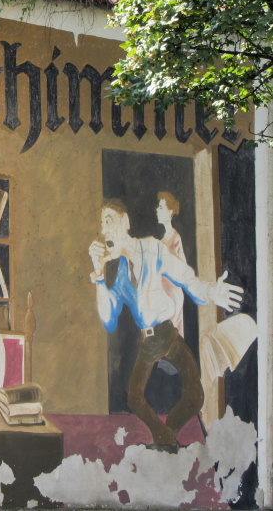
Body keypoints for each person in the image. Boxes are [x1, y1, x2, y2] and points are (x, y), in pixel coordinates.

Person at [88, 199, 243, 451]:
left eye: (108, 221)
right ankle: (167, 440)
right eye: (101, 225)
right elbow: (108, 319)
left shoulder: (152, 248)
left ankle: (165, 438)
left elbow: (185, 277)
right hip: (148, 342)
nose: (104, 230)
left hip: (167, 335)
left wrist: (212, 291)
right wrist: (97, 275)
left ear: (125, 222)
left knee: (196, 396)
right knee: (134, 398)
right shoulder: (121, 275)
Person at [156, 192, 186, 337]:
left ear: (170, 212)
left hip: (173, 295)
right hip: (163, 296)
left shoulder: (175, 238)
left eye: (161, 207)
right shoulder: (161, 242)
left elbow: (183, 269)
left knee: (173, 338)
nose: (157, 210)